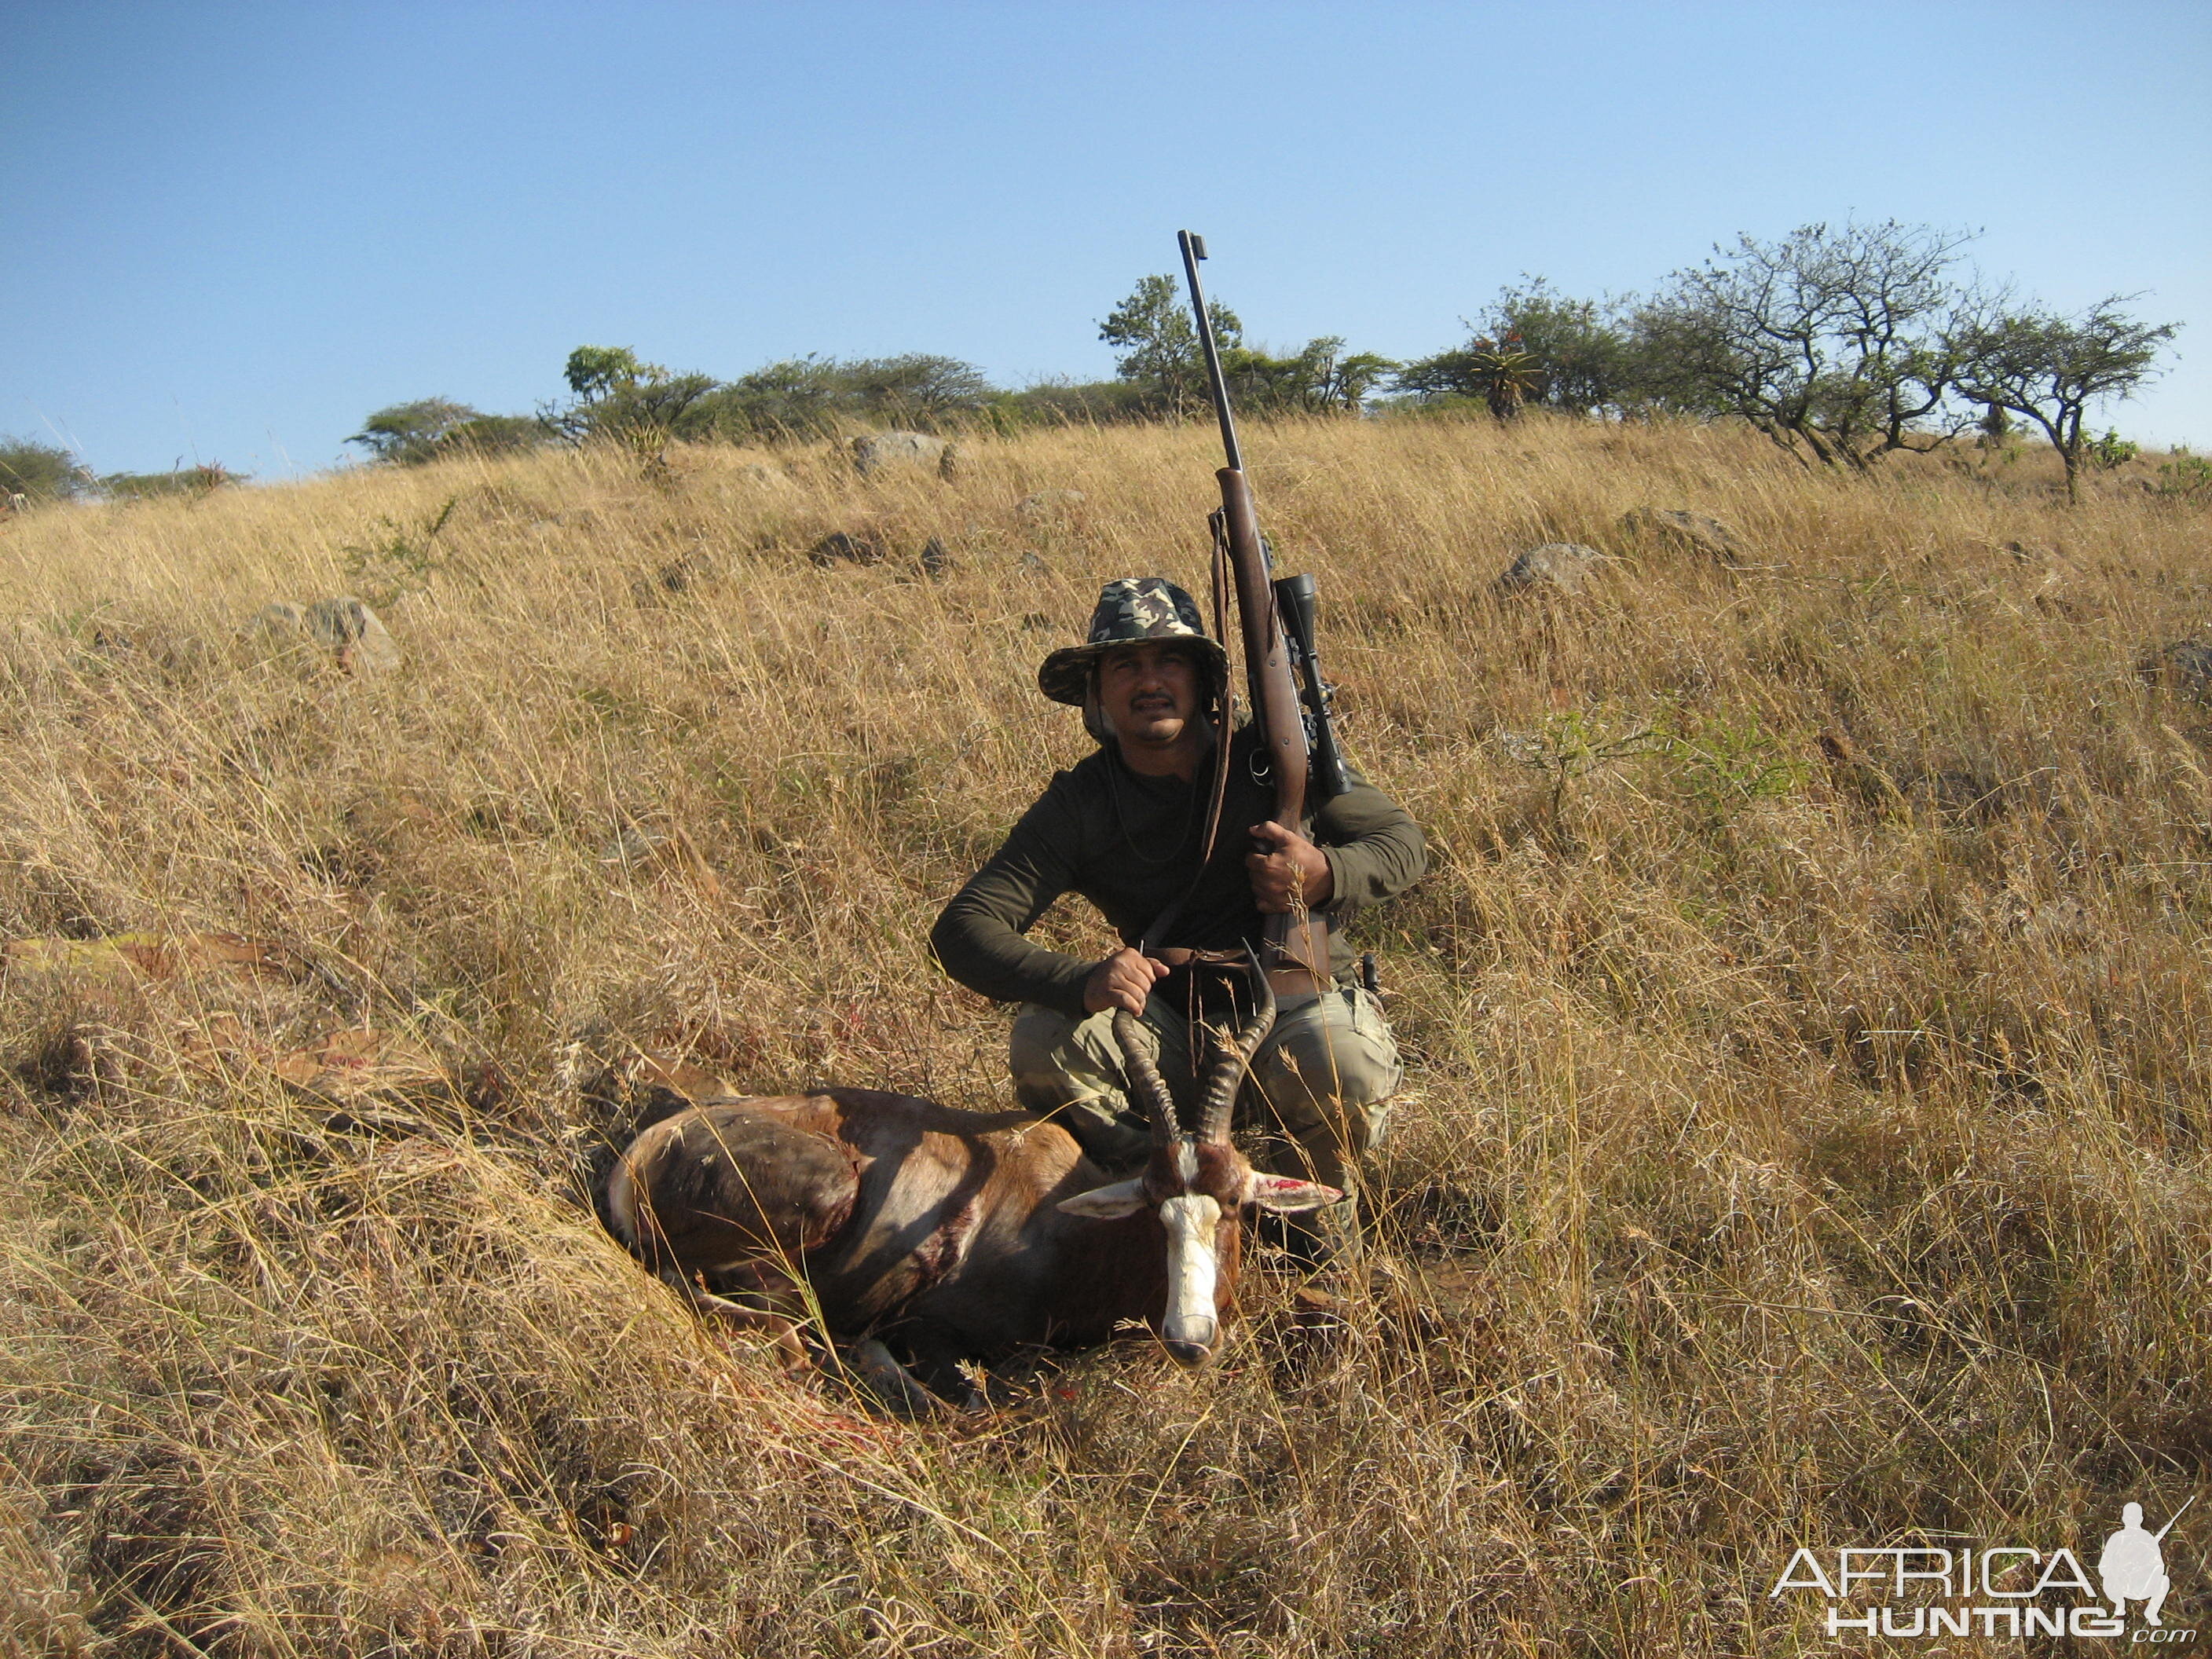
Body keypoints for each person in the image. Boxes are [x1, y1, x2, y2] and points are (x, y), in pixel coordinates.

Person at [930, 577, 1425, 1263]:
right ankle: (1172, 1204)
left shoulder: (1277, 758)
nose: (1149, 681)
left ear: (1202, 682)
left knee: (1342, 1062)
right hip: (1168, 1036)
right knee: (1046, 1037)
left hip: (1297, 1014)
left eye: (1169, 661)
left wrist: (1324, 873)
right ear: (1097, 692)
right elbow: (963, 928)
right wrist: (1085, 980)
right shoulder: (1080, 802)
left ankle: (1321, 1243)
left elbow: (1403, 846)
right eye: (1126, 665)